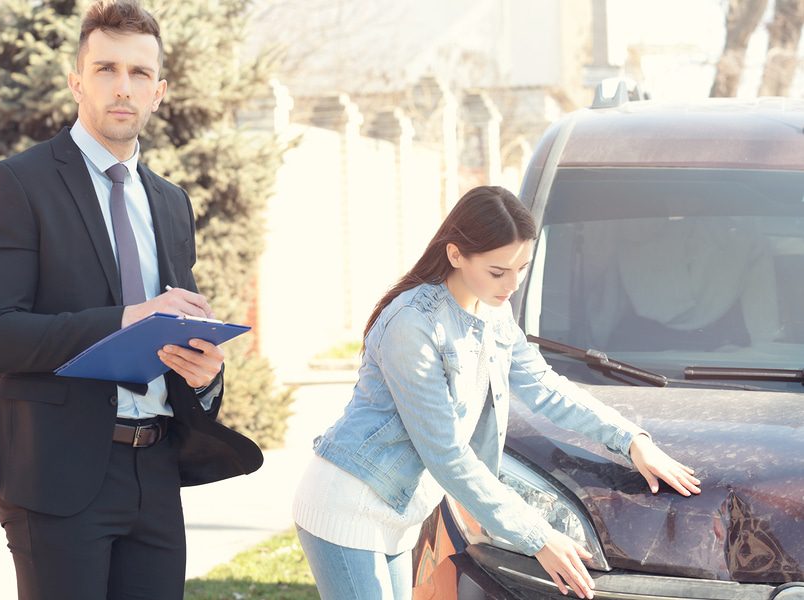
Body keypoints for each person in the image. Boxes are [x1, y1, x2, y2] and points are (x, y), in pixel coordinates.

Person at [0, 1, 262, 598]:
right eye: (105, 69)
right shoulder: (16, 183)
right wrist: (129, 318)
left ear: (160, 91)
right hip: (56, 472)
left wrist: (202, 375)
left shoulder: (172, 203)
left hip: (155, 469)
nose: (122, 88)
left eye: (139, 74)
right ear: (77, 80)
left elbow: (177, 333)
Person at [292, 186, 702, 600]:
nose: (512, 284)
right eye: (497, 271)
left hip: (398, 513)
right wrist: (538, 536)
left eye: (521, 268)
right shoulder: (412, 324)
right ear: (455, 255)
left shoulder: (493, 312)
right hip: (350, 502)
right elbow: (445, 452)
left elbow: (544, 387)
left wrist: (631, 440)